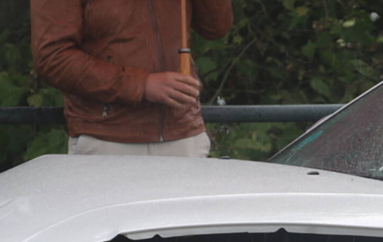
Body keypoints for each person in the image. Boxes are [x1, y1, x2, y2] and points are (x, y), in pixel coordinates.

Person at [30, 0, 232, 157]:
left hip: (182, 134)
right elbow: (52, 57)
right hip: (107, 139)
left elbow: (216, 28)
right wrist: (142, 85)